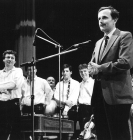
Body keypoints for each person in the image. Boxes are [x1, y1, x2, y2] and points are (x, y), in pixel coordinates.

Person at [89, 6, 133, 140]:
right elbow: (93, 65)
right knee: (103, 135)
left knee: (118, 135)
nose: (101, 21)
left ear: (115, 19)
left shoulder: (124, 36)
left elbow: (125, 62)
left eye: (104, 17)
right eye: (99, 19)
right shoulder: (98, 43)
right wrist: (92, 71)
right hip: (99, 96)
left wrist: (100, 68)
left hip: (117, 96)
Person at [0, 50, 24, 140]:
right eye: (7, 57)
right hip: (0, 103)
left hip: (12, 103)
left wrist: (0, 86)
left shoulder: (18, 71)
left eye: (12, 58)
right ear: (3, 60)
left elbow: (15, 84)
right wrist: (7, 86)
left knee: (15, 131)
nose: (9, 59)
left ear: (15, 61)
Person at [53, 64, 80, 138]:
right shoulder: (59, 84)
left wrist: (66, 109)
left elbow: (73, 98)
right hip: (60, 107)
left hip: (71, 109)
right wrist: (64, 102)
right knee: (59, 131)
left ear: (71, 72)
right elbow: (56, 96)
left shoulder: (76, 83)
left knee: (70, 131)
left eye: (67, 71)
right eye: (63, 71)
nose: (65, 72)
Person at [77, 64, 95, 138]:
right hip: (81, 108)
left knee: (88, 129)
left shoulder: (94, 82)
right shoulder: (79, 84)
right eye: (81, 72)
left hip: (90, 107)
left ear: (88, 71)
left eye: (85, 71)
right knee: (82, 130)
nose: (83, 73)